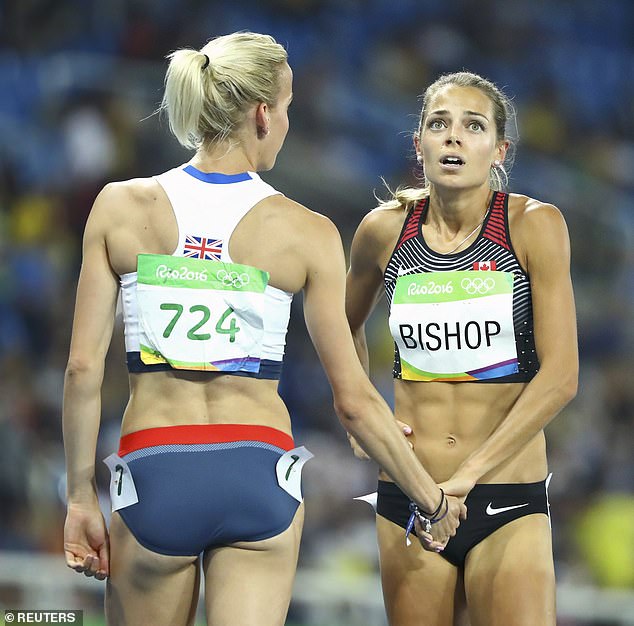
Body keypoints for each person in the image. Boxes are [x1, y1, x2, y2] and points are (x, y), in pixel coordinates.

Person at [62, 32, 465, 626]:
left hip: (155, 469)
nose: (286, 124)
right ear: (261, 113)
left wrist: (77, 498)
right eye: (287, 109)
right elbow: (354, 402)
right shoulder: (305, 231)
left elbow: (81, 369)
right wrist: (431, 499)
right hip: (257, 471)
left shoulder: (121, 206)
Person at [345, 71, 578, 626]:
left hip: (505, 494)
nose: (453, 137)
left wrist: (466, 476)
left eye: (472, 126)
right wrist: (364, 419)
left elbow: (562, 376)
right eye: (439, 124)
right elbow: (339, 327)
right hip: (411, 492)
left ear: (499, 150)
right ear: (418, 143)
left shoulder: (533, 225)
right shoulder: (383, 232)